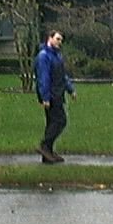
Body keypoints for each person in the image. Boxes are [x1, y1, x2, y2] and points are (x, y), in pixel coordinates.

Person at [34, 30, 77, 164]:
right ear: (50, 38)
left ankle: (48, 154)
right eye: (58, 39)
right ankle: (44, 145)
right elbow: (43, 78)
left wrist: (70, 89)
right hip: (51, 94)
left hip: (58, 93)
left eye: (61, 40)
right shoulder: (44, 56)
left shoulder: (56, 56)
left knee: (52, 122)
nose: (60, 42)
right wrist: (45, 97)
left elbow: (62, 75)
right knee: (60, 121)